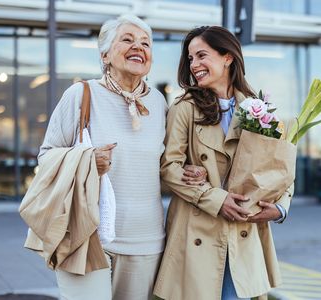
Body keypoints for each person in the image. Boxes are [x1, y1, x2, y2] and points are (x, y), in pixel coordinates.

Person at [37, 15, 204, 300]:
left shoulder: (159, 103)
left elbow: (166, 164)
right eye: (127, 40)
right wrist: (87, 161)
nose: (138, 47)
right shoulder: (81, 94)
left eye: (145, 43)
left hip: (147, 239)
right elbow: (46, 158)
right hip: (87, 235)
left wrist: (190, 171)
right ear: (105, 54)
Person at [154, 26, 294, 300]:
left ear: (227, 57)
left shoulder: (258, 108)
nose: (194, 65)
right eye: (191, 58)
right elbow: (168, 169)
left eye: (201, 55)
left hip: (244, 232)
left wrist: (280, 208)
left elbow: (280, 166)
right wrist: (216, 199)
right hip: (198, 231)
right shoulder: (185, 108)